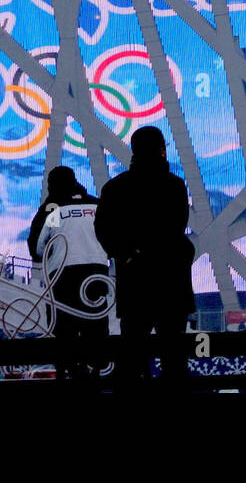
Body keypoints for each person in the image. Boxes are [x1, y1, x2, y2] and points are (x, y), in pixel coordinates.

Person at [94, 127, 195, 391]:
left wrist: (128, 253)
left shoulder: (114, 188)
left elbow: (103, 229)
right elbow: (176, 226)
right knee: (174, 356)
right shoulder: (174, 185)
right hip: (171, 281)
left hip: (134, 283)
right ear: (161, 149)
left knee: (132, 355)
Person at [29, 166, 109, 381]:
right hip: (97, 272)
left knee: (64, 331)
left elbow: (36, 248)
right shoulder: (96, 204)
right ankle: (95, 373)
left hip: (62, 275)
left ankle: (67, 374)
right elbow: (112, 238)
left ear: (51, 185)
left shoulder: (53, 208)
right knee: (95, 325)